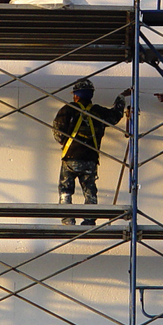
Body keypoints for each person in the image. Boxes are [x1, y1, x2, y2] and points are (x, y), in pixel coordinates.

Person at [52, 78, 130, 225]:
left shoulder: (68, 109)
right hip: (90, 159)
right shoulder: (98, 112)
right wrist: (121, 97)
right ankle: (89, 221)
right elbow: (115, 116)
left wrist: (65, 142)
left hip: (71, 157)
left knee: (66, 190)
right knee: (90, 191)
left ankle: (68, 219)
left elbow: (57, 133)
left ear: (76, 95)